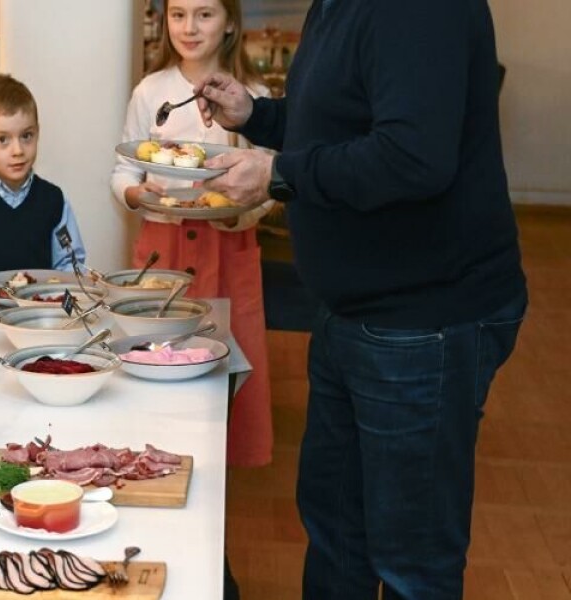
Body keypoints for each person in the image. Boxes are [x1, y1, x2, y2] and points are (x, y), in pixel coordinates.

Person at [194, 0, 528, 597]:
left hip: (423, 320)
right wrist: (260, 116)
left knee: (411, 560)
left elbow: (413, 158)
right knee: (337, 535)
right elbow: (341, 117)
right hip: (356, 310)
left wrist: (279, 173)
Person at [110, 0, 274, 468]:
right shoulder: (150, 91)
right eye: (178, 13)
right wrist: (138, 196)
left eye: (205, 14)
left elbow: (269, 186)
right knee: (160, 359)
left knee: (226, 366)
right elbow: (123, 169)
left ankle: (217, 473)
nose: (189, 26)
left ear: (230, 23)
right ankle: (159, 456)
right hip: (161, 253)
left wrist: (236, 214)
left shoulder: (253, 96)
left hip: (230, 251)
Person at [0, 73, 87, 276]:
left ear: (38, 133)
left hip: (40, 306)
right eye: (2, 139)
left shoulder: (53, 200)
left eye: (26, 136)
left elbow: (70, 263)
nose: (18, 150)